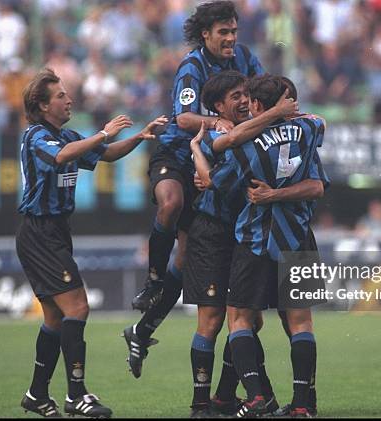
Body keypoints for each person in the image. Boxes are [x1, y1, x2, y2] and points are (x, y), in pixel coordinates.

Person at [16, 68, 167, 418]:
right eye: (60, 96)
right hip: (40, 232)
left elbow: (105, 155)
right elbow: (61, 157)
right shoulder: (36, 136)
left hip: (54, 233)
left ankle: (37, 394)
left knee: (55, 316)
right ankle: (76, 395)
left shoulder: (65, 134)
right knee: (78, 308)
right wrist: (102, 132)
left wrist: (140, 137)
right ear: (41, 105)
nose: (69, 99)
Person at [124, 0, 264, 377]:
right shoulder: (193, 64)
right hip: (177, 154)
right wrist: (220, 121)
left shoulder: (247, 59)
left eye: (234, 31)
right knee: (170, 203)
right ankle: (152, 282)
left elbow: (264, 98)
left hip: (212, 163)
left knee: (186, 260)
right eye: (224, 32)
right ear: (206, 34)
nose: (232, 38)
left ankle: (142, 330)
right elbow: (184, 117)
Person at [192, 75, 328, 417]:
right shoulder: (310, 130)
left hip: (255, 238)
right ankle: (302, 406)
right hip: (298, 234)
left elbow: (214, 179)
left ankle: (254, 397)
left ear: (256, 105)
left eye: (248, 100)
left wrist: (197, 151)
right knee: (300, 323)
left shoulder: (245, 146)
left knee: (239, 319)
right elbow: (317, 182)